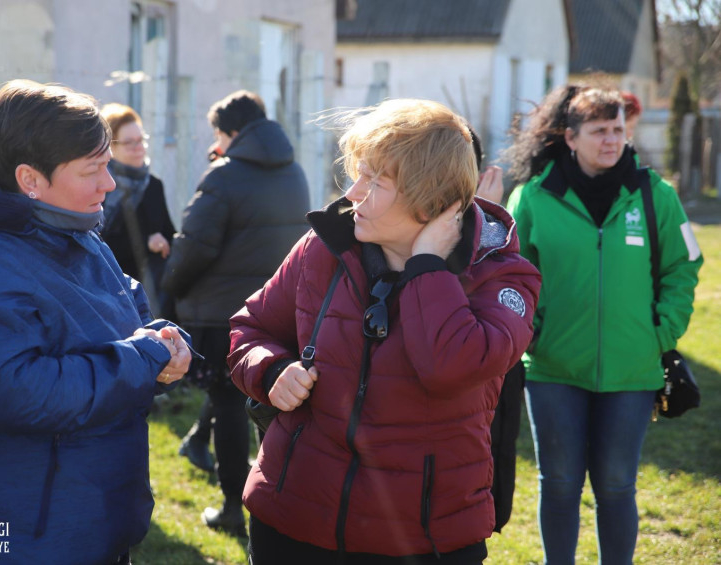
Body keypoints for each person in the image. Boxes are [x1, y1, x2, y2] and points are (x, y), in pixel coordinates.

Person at [228, 98, 541, 564]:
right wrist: (272, 370)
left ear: (430, 200)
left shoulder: (502, 276)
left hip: (423, 541)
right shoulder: (322, 247)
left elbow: (451, 367)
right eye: (358, 174)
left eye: (375, 181)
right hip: (293, 520)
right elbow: (250, 329)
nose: (353, 193)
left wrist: (427, 265)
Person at [0, 80, 193, 564]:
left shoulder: (78, 233)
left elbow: (131, 312)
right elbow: (19, 392)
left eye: (107, 165)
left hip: (83, 522)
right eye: (92, 170)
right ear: (30, 179)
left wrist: (167, 345)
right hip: (7, 537)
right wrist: (145, 358)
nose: (109, 184)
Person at [504, 85, 703, 564]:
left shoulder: (655, 195)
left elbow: (684, 265)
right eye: (599, 131)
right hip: (553, 369)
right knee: (559, 483)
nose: (612, 139)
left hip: (632, 371)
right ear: (571, 138)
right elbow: (509, 273)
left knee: (616, 485)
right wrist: (532, 333)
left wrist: (660, 332)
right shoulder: (532, 198)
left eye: (617, 129)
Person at [161, 90, 311, 534]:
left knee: (228, 403)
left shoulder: (224, 175)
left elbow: (193, 247)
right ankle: (278, 497)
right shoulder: (295, 171)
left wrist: (170, 290)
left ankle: (232, 507)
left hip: (225, 313)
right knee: (270, 402)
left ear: (230, 133)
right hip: (281, 309)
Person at [99, 103, 177, 318]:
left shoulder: (153, 185)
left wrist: (163, 241)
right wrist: (146, 242)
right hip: (108, 292)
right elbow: (98, 242)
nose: (139, 147)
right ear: (110, 147)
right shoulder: (101, 185)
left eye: (141, 140)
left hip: (150, 299)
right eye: (129, 143)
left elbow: (169, 236)